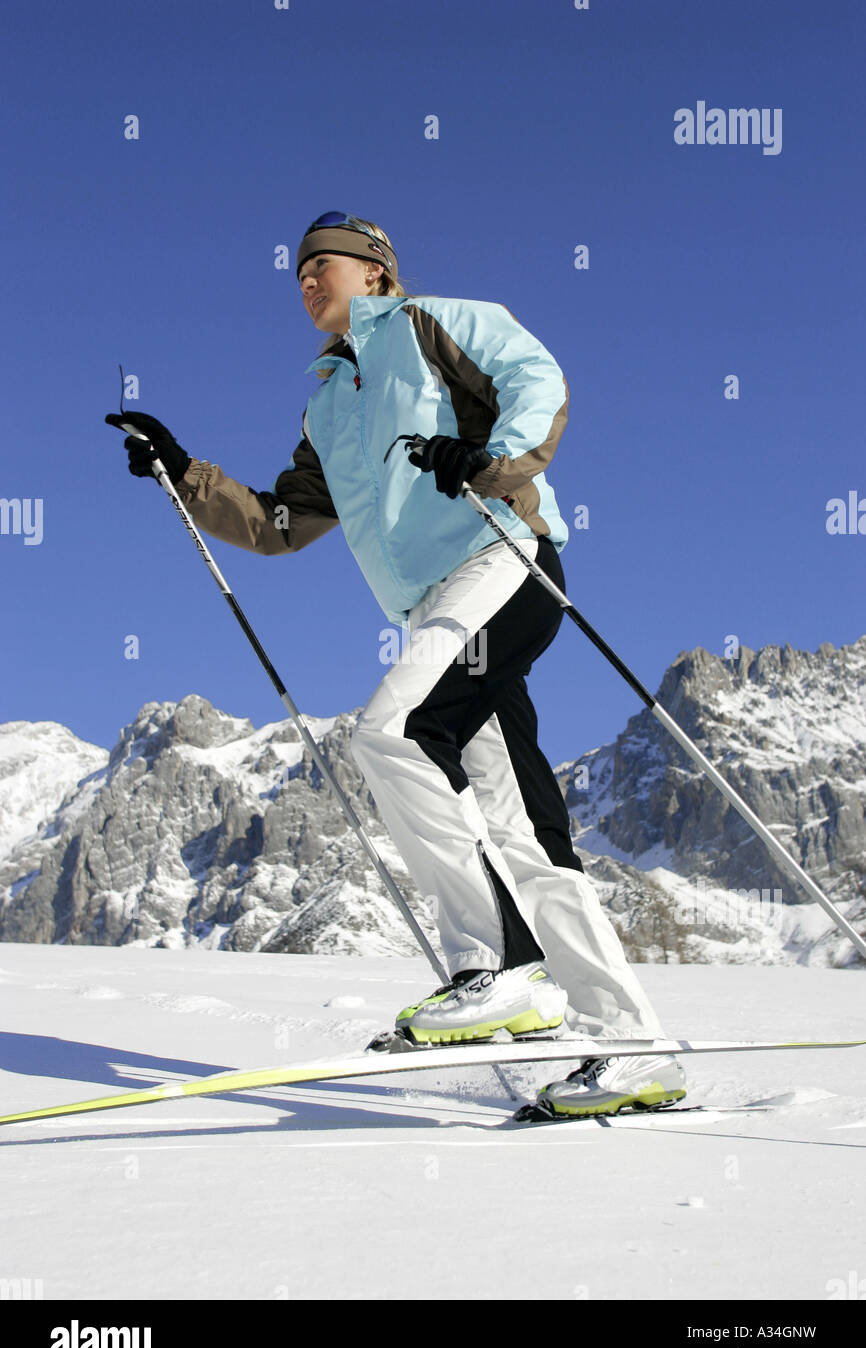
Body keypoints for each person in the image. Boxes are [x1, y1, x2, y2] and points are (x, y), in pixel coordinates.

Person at [107, 211, 685, 1118]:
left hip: (502, 559)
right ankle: (636, 1051)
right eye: (297, 272)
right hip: (437, 610)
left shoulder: (438, 324)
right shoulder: (329, 402)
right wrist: (184, 472)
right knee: (529, 837)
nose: (306, 280)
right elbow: (284, 523)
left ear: (376, 272)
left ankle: (501, 967)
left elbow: (539, 378)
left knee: (396, 731)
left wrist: (490, 461)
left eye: (322, 265)